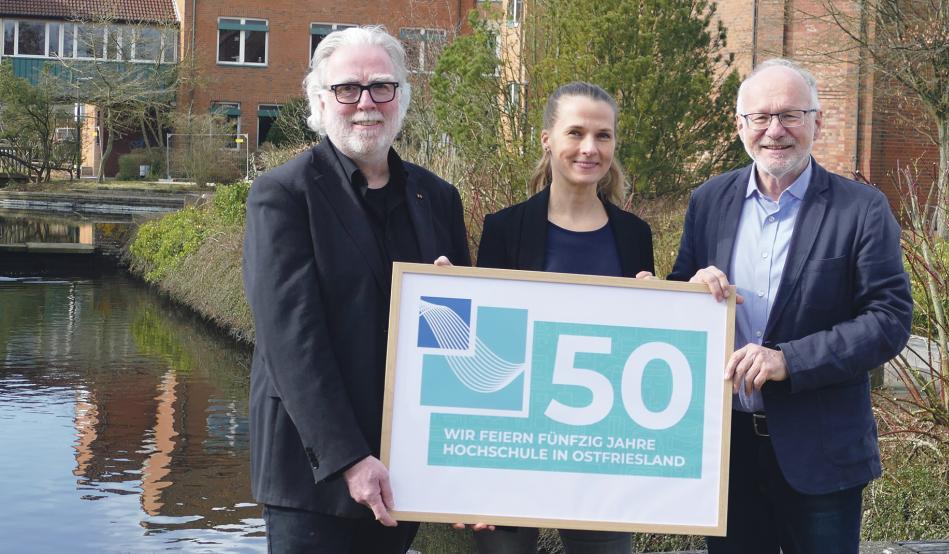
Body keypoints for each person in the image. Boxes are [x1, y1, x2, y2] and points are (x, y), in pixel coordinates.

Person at [666, 58, 912, 553]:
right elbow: (682, 304)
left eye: (791, 115)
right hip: (726, 454)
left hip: (821, 455)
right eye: (760, 117)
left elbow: (889, 319)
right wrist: (689, 290)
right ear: (740, 126)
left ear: (817, 122)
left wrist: (787, 360)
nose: (775, 130)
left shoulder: (861, 209)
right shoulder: (708, 201)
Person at [242, 25, 470, 553]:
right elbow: (290, 341)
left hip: (404, 470)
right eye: (348, 89)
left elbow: (455, 348)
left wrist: (454, 305)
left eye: (381, 87)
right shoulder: (282, 195)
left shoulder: (438, 199)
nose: (366, 103)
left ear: (401, 99)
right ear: (320, 102)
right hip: (313, 477)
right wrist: (349, 459)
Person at [472, 81, 654, 554]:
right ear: (547, 139)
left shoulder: (634, 235)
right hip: (513, 451)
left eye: (604, 136)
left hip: (604, 452)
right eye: (576, 133)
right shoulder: (504, 229)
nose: (590, 148)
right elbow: (485, 350)